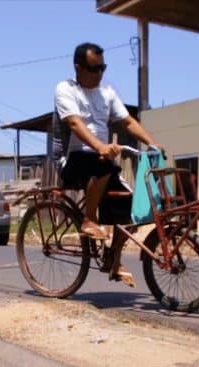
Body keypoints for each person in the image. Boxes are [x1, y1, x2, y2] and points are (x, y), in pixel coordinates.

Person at [53, 42, 162, 286]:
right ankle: (89, 219)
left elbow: (127, 121)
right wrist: (100, 146)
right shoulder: (66, 89)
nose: (100, 73)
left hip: (99, 157)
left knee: (132, 207)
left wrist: (153, 143)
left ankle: (112, 259)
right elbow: (73, 124)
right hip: (72, 156)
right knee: (103, 164)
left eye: (103, 67)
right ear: (78, 67)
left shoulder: (107, 92)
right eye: (94, 68)